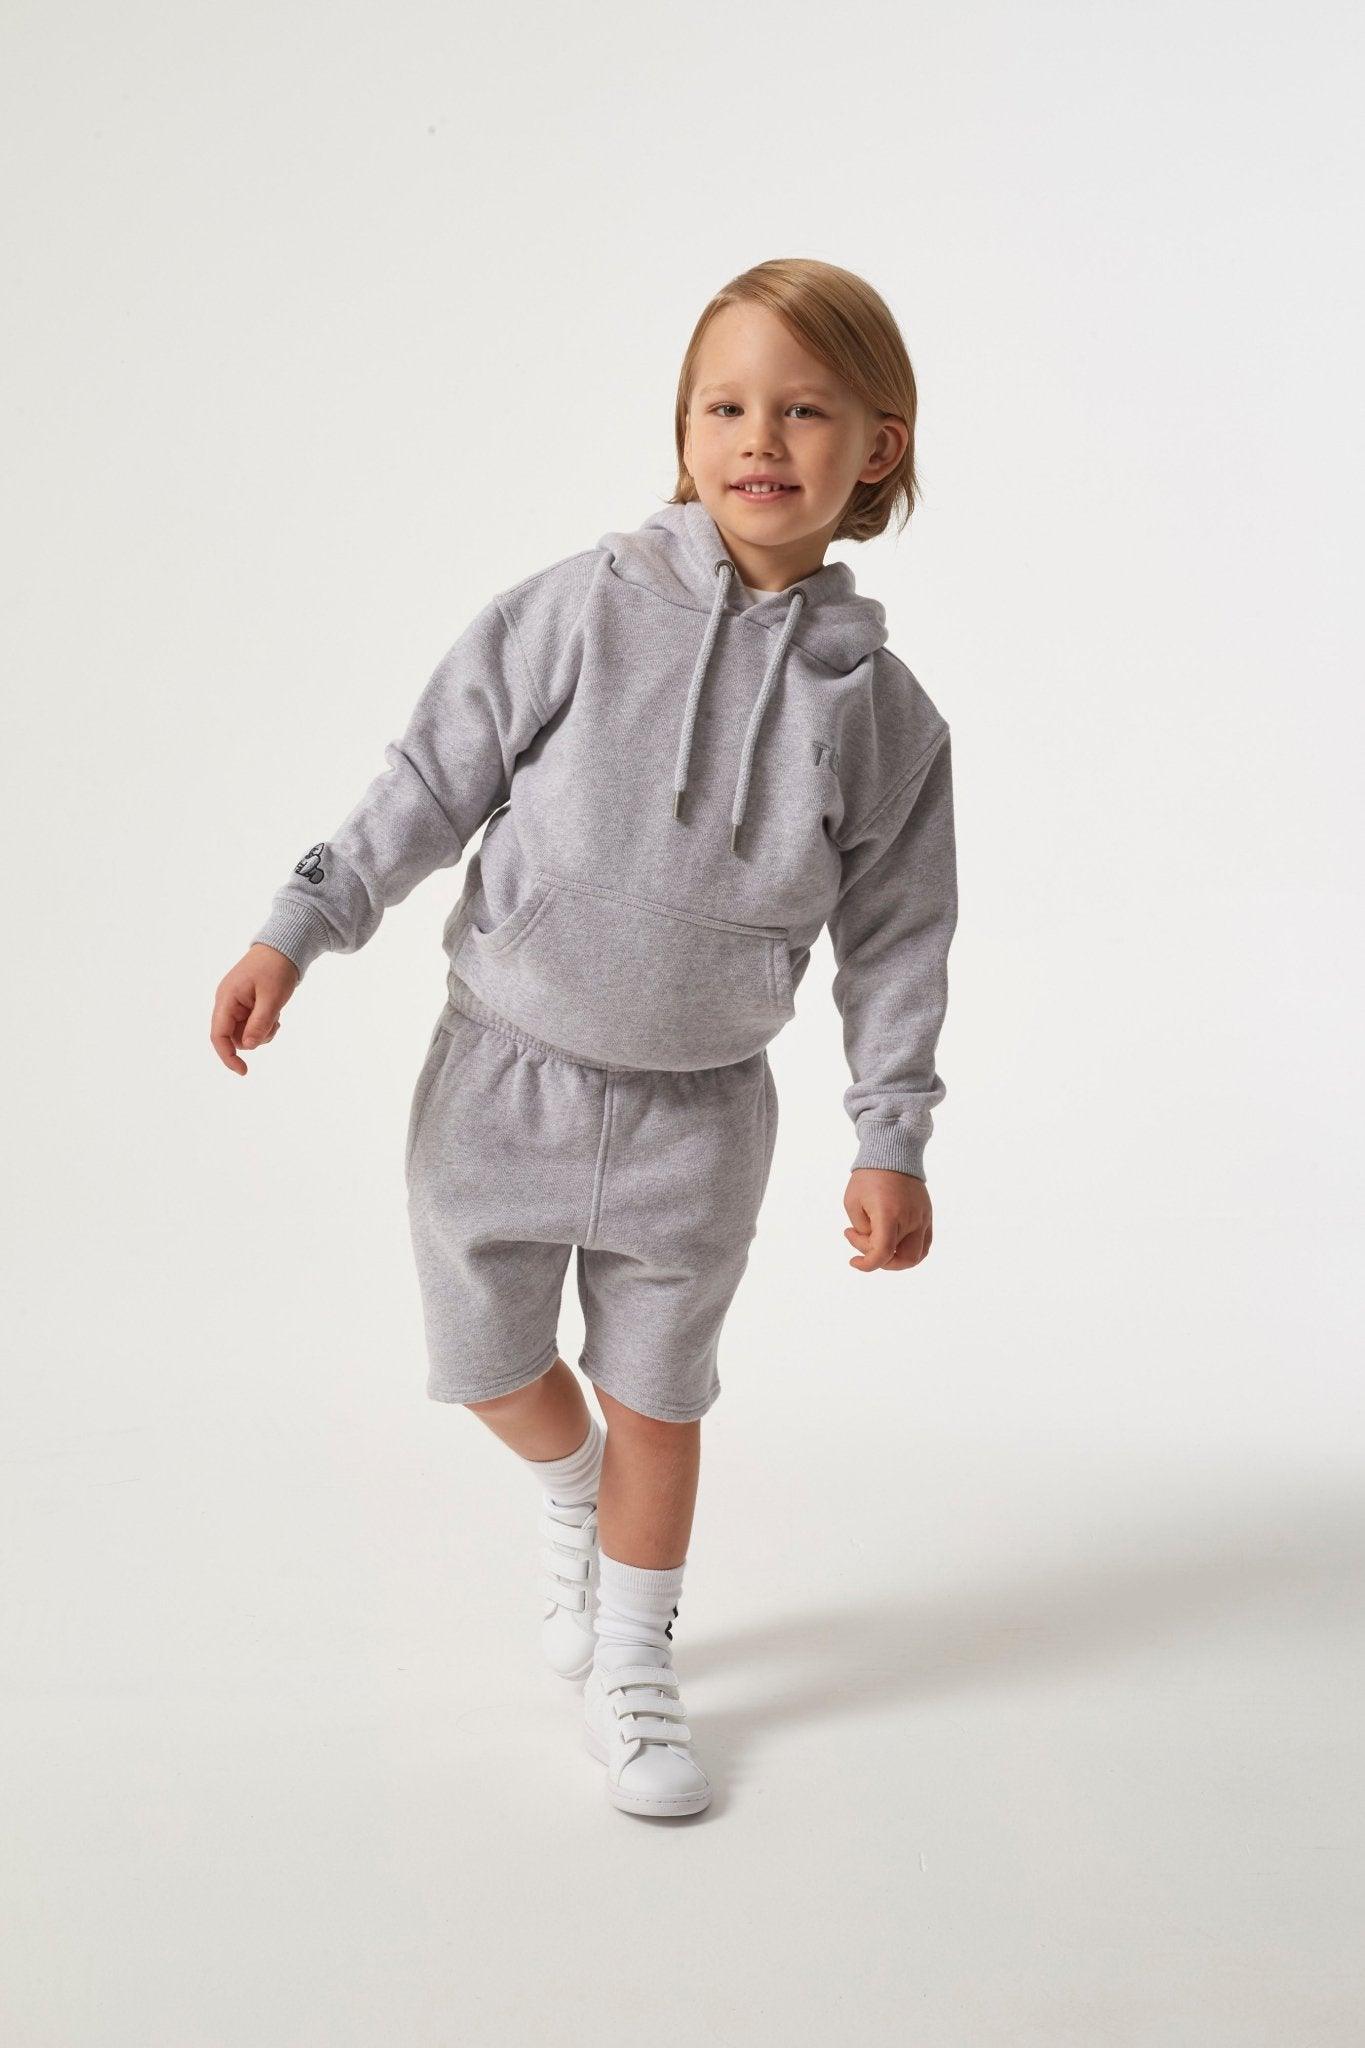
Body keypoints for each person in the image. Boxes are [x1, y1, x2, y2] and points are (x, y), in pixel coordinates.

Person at [210, 257, 959, 1820]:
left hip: (701, 1115)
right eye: (723, 407)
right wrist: (300, 925)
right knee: (491, 1371)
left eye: (802, 410)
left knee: (661, 1406)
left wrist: (888, 1136)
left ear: (874, 447)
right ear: (682, 432)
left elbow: (897, 939)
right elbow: (430, 780)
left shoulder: (882, 713)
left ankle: (634, 1667)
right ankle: (571, 1492)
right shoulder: (577, 609)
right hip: (503, 1076)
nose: (758, 439)